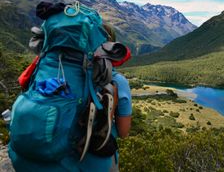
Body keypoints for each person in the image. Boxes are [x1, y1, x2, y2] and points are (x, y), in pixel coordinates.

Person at [8, 22, 132, 171]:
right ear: (110, 47)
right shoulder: (117, 81)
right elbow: (124, 132)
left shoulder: (47, 71)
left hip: (29, 161)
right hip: (88, 163)